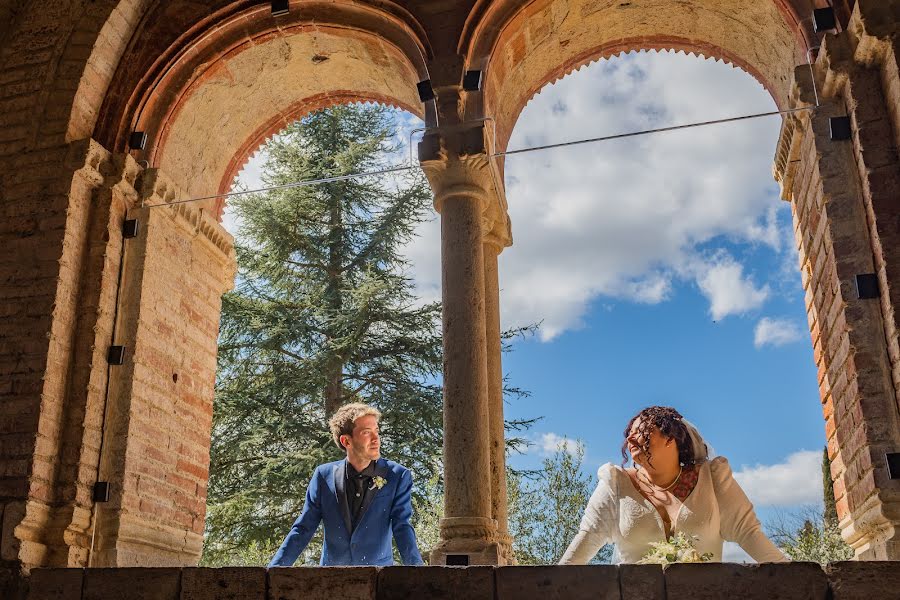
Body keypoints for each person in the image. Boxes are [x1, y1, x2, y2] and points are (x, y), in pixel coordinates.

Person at [559, 405, 786, 564]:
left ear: (670, 438)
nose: (629, 438)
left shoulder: (713, 479)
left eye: (640, 432)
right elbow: (585, 541)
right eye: (629, 434)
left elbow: (749, 534)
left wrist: (798, 583)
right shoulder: (616, 484)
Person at [269, 402, 424, 566]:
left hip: (378, 579)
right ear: (346, 441)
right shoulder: (323, 476)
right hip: (330, 579)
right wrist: (274, 569)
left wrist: (417, 572)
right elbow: (304, 528)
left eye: (376, 431)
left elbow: (402, 527)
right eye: (366, 432)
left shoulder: (398, 476)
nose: (376, 439)